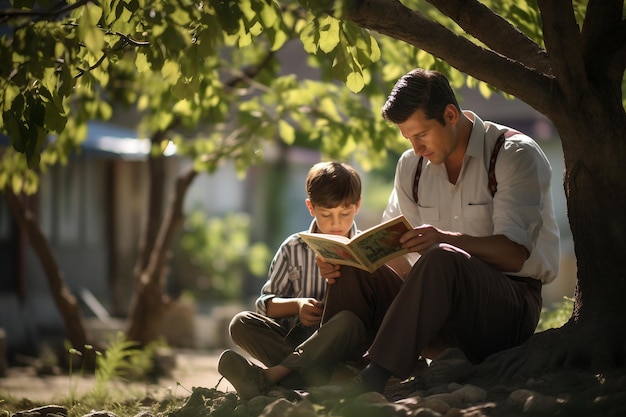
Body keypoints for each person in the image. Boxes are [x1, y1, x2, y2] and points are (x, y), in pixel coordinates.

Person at [317, 68, 560, 394]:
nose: (416, 148)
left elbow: (516, 254)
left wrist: (446, 239)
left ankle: (374, 378)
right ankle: (327, 371)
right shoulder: (411, 167)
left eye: (421, 135)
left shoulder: (513, 154)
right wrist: (351, 260)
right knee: (353, 267)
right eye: (408, 139)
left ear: (449, 114)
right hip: (432, 314)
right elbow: (398, 258)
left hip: (506, 310)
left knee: (442, 256)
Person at [217, 161, 403, 399]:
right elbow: (267, 305)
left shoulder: (366, 249)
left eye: (344, 214)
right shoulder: (293, 248)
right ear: (311, 208)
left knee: (347, 321)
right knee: (240, 323)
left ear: (358, 206)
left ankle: (271, 377)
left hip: (346, 342)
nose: (336, 223)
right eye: (326, 214)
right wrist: (298, 305)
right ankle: (320, 377)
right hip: (298, 339)